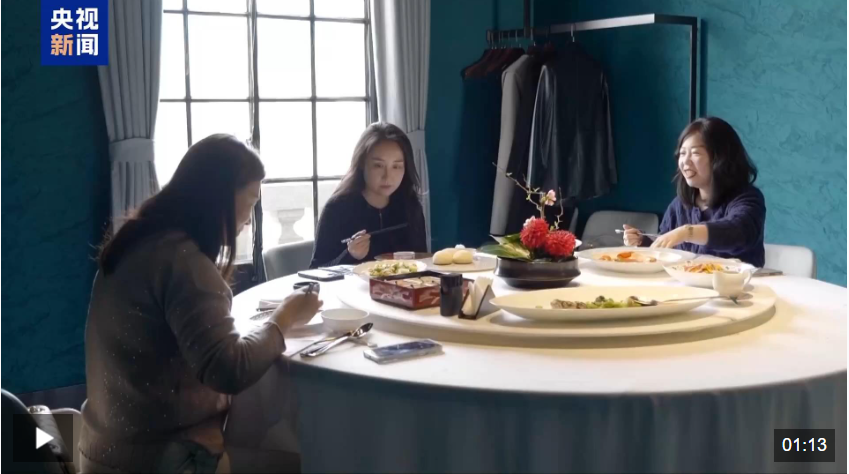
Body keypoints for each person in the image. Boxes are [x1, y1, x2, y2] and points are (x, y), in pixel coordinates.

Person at [79, 134, 322, 473]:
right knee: (308, 460)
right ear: (221, 198)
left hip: (100, 449)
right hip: (160, 459)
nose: (249, 219)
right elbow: (229, 370)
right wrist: (284, 318)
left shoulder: (137, 241)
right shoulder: (183, 263)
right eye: (251, 201)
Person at [622, 117, 766, 267]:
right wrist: (643, 241)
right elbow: (666, 253)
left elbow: (739, 232)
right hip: (686, 282)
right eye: (682, 153)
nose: (685, 161)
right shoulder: (679, 205)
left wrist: (687, 232)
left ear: (721, 158)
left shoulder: (747, 198)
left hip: (740, 282)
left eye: (695, 153)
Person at [310, 122, 428, 268]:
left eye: (396, 166)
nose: (387, 176)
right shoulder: (337, 209)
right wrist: (349, 255)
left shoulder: (410, 206)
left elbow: (423, 264)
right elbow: (315, 270)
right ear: (361, 164)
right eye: (378, 165)